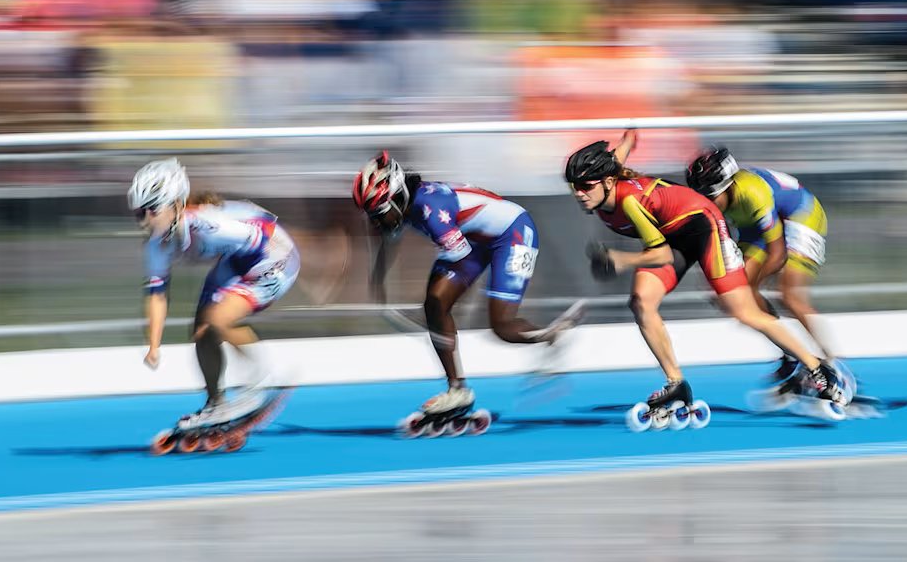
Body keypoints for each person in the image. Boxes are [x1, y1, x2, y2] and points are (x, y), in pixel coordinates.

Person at [565, 138, 850, 425]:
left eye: (585, 186)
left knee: (744, 311)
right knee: (641, 303)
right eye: (574, 185)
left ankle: (817, 370)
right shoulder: (606, 189)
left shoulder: (628, 201)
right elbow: (616, 162)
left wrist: (620, 260)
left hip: (705, 226)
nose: (578, 193)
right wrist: (629, 137)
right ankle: (676, 384)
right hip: (673, 233)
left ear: (609, 182)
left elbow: (661, 254)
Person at [355, 151, 584, 432]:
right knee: (435, 304)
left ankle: (552, 335)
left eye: (379, 213)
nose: (376, 222)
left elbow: (458, 253)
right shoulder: (404, 205)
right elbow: (389, 239)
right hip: (474, 238)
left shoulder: (429, 209)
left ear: (399, 196)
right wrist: (378, 280)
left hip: (513, 232)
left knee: (501, 326)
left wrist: (449, 306)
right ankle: (457, 389)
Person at [130, 158, 299, 429]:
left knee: (218, 318)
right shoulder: (155, 245)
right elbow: (157, 295)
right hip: (237, 257)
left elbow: (263, 238)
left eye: (151, 210)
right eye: (139, 213)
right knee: (201, 330)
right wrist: (154, 344)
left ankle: (260, 379)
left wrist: (231, 299)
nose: (144, 220)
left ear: (175, 206)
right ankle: (215, 403)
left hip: (274, 252)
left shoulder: (209, 225)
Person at [680, 147, 834, 384]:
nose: (705, 204)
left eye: (710, 199)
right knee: (735, 296)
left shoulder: (753, 193)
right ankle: (791, 354)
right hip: (757, 225)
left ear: (726, 187)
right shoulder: (721, 198)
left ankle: (831, 362)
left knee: (790, 296)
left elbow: (777, 253)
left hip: (800, 215)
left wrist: (754, 283)